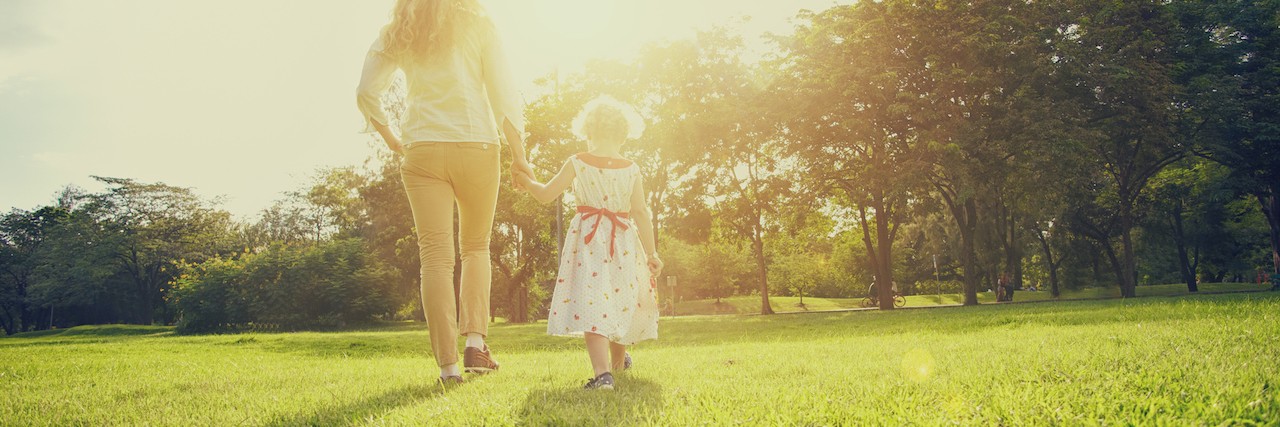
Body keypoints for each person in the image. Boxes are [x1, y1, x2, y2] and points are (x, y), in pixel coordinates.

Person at [356, 0, 535, 385]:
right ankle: (475, 344)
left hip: (421, 147)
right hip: (477, 145)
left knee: (435, 258)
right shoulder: (479, 23)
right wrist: (520, 155)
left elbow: (366, 90)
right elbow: (504, 93)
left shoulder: (399, 27)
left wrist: (391, 138)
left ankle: (448, 368)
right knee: (475, 247)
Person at [514, 96, 662, 390]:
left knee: (593, 301)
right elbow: (641, 212)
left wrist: (527, 181)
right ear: (623, 133)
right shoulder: (631, 168)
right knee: (620, 298)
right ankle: (618, 364)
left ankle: (603, 374)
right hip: (623, 239)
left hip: (589, 239)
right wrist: (652, 252)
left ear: (589, 130)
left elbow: (545, 194)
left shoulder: (578, 162)